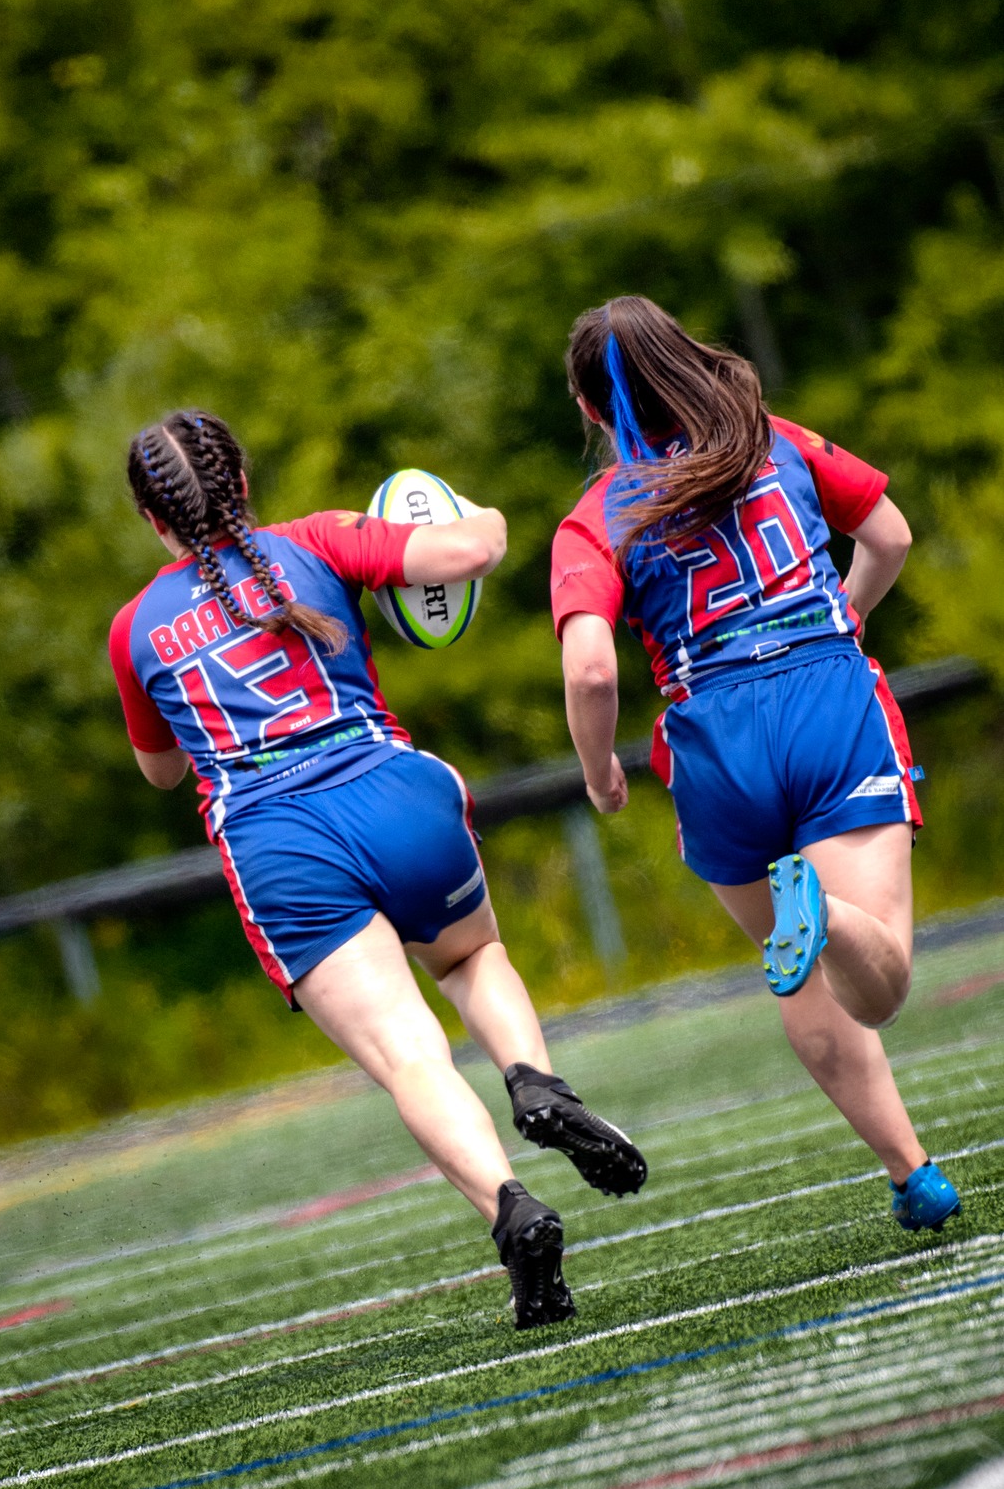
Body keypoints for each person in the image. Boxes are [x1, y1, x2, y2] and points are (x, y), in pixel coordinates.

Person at [109, 410, 648, 1328]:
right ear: (241, 483)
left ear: (152, 519)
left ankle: (512, 1209)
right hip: (392, 791)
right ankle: (534, 1081)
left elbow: (161, 771)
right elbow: (474, 549)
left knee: (409, 1056)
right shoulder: (319, 539)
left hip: (278, 844)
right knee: (471, 959)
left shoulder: (133, 630)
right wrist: (476, 512)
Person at [552, 295, 959, 1233]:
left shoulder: (593, 516)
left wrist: (600, 774)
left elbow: (589, 669)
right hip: (824, 700)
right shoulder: (773, 440)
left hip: (710, 740)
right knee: (878, 979)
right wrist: (847, 613)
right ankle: (825, 914)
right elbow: (889, 534)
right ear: (683, 360)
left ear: (589, 409)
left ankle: (910, 1172)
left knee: (798, 970)